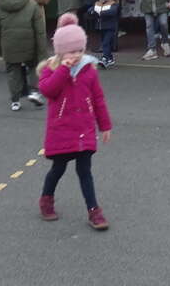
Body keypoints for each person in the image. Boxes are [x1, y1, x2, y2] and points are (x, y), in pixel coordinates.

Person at [37, 13, 111, 230]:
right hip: (61, 130)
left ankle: (94, 211)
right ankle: (46, 199)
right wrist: (64, 69)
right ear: (61, 51)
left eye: (80, 50)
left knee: (85, 171)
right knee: (58, 169)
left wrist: (105, 125)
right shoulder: (52, 69)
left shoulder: (89, 70)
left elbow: (98, 99)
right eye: (71, 51)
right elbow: (48, 90)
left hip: (83, 130)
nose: (76, 55)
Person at [0, 0, 48, 111]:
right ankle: (34, 92)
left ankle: (15, 100)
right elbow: (39, 30)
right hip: (29, 43)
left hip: (9, 44)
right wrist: (42, 50)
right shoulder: (32, 4)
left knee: (13, 70)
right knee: (33, 66)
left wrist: (0, 48)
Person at [88, 0, 120, 69]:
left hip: (110, 27)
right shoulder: (97, 4)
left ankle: (105, 58)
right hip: (101, 27)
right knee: (105, 43)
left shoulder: (113, 4)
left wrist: (101, 13)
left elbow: (112, 12)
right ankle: (110, 58)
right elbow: (91, 9)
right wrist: (91, 11)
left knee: (105, 43)